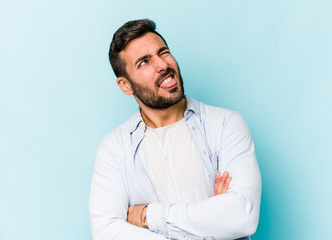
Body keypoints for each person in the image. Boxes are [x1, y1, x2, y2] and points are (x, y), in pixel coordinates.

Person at [89, 19, 262, 240]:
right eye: (144, 62)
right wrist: (215, 217)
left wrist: (147, 216)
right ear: (126, 85)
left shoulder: (225, 124)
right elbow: (107, 232)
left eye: (163, 52)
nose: (162, 65)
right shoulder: (113, 150)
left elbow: (242, 216)